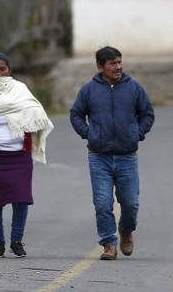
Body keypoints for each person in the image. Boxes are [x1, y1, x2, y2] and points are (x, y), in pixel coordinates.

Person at [69, 46, 154, 260]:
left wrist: (137, 134)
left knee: (130, 203)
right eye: (112, 63)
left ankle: (126, 231)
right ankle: (108, 243)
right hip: (99, 157)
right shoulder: (89, 90)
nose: (118, 67)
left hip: (127, 156)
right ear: (100, 67)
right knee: (102, 202)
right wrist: (89, 134)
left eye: (119, 62)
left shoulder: (134, 88)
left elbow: (148, 114)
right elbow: (76, 114)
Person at [0, 53, 53, 258]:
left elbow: (36, 111)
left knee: (21, 198)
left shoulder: (20, 90)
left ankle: (16, 241)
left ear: (9, 70)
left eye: (3, 69)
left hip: (18, 155)